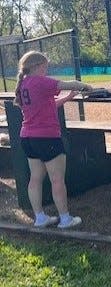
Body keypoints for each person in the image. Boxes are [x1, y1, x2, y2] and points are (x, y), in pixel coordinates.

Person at [14, 51, 92, 229]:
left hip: (27, 136)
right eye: (45, 66)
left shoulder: (24, 83)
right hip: (46, 137)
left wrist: (66, 98)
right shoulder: (40, 81)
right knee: (57, 180)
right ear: (37, 66)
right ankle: (65, 219)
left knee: (35, 178)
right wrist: (85, 86)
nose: (46, 69)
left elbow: (46, 105)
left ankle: (40, 218)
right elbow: (68, 83)